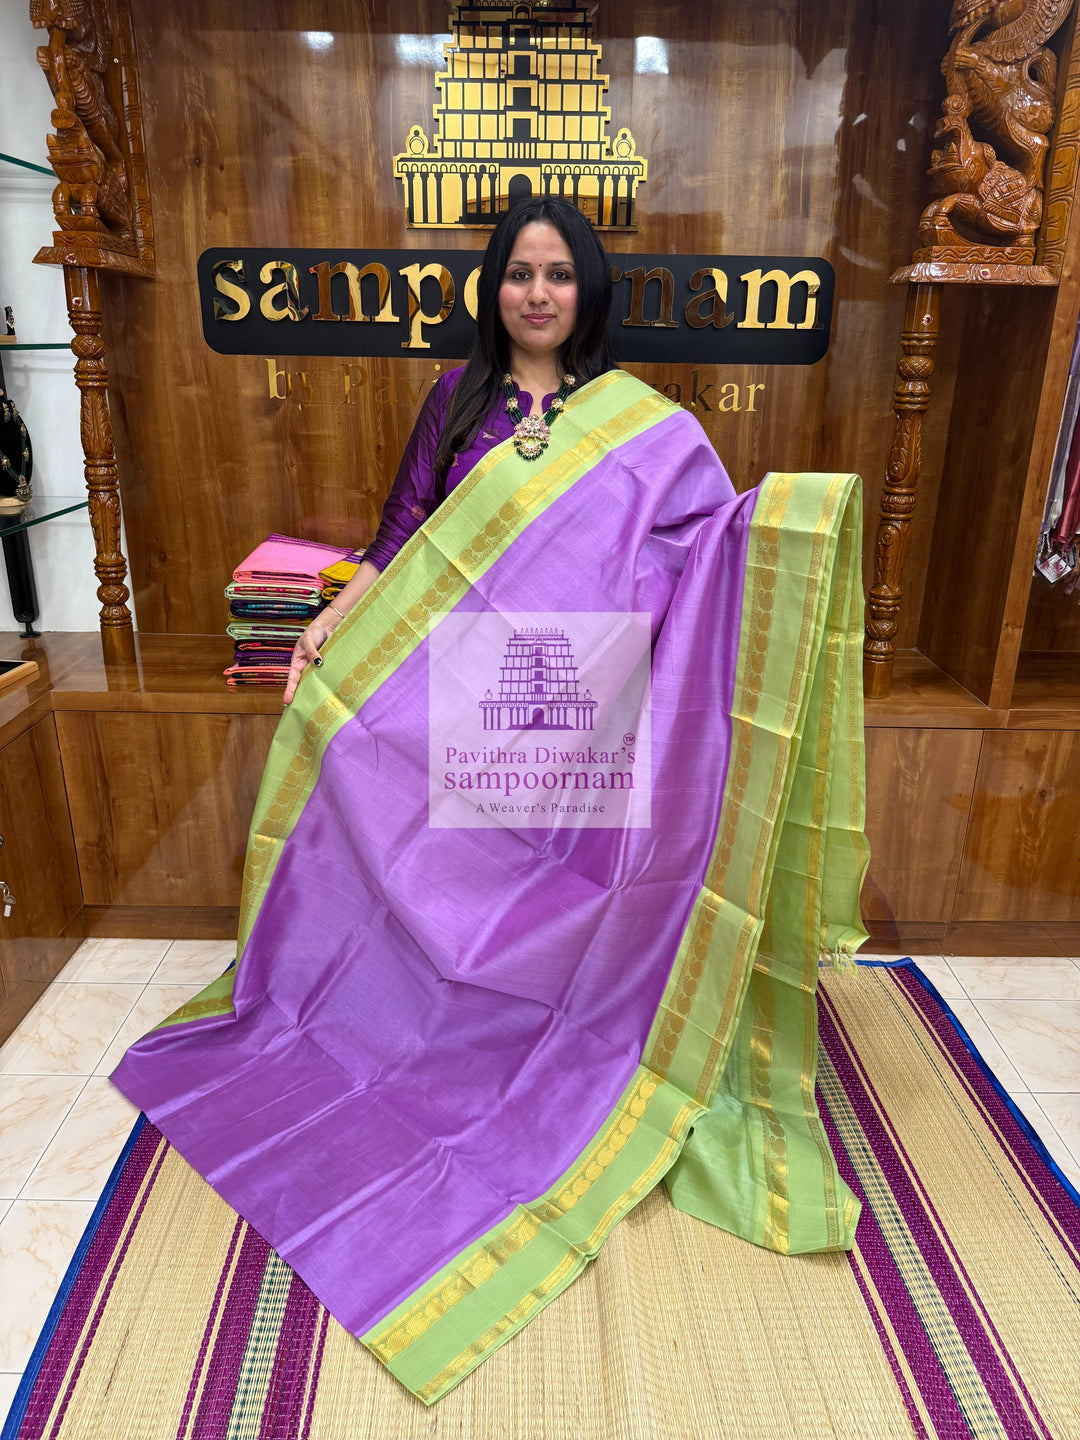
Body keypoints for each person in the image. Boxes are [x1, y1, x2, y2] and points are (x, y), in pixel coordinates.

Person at [113, 196, 869, 1406]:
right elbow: (404, 541)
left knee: (556, 903)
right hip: (463, 689)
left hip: (590, 708)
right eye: (519, 273)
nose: (537, 293)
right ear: (494, 289)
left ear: (588, 290)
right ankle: (413, 1024)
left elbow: (706, 553)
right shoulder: (456, 403)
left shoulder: (645, 427)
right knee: (402, 831)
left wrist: (785, 526)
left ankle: (551, 1037)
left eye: (558, 274)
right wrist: (331, 624)